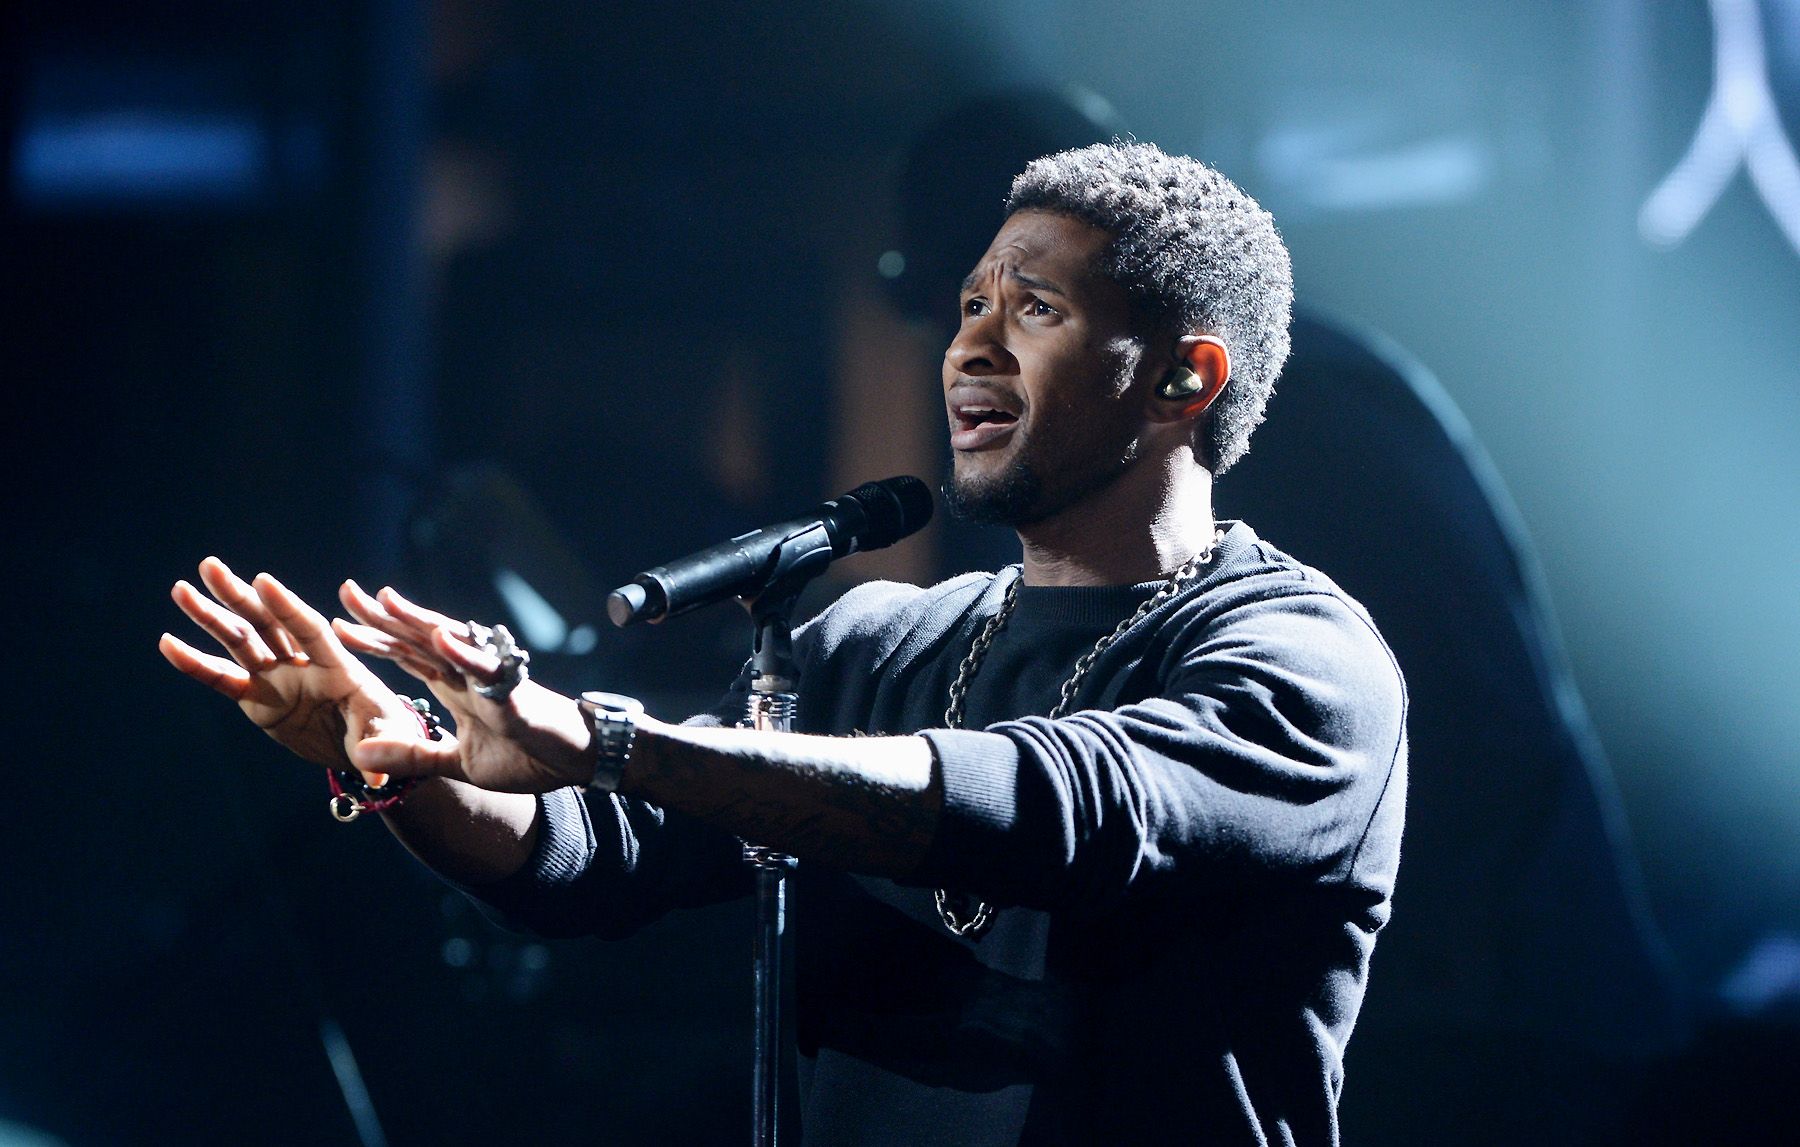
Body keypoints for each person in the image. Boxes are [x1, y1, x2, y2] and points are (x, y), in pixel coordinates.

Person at [162, 142, 1407, 1145]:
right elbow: (597, 851)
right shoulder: (878, 640)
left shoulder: (1299, 653)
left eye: (1034, 308)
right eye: (970, 305)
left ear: (1185, 379)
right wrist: (405, 767)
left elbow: (1061, 806)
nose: (969, 342)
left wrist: (600, 734)